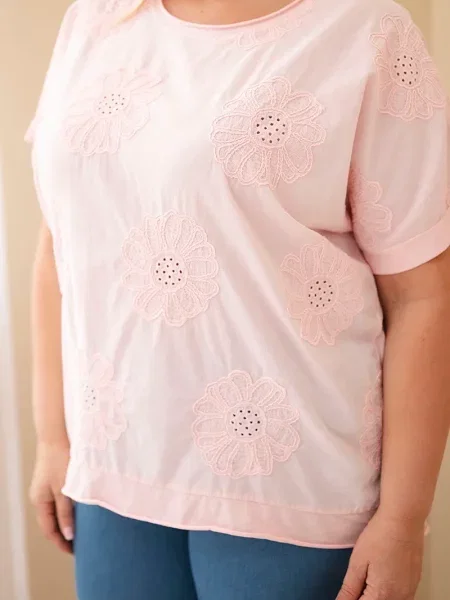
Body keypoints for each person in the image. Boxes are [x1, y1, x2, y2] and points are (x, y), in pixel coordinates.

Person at [27, 0, 450, 598]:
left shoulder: (366, 30)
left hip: (291, 491)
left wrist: (404, 518)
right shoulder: (93, 20)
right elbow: (60, 240)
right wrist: (54, 438)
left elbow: (422, 296)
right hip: (111, 471)